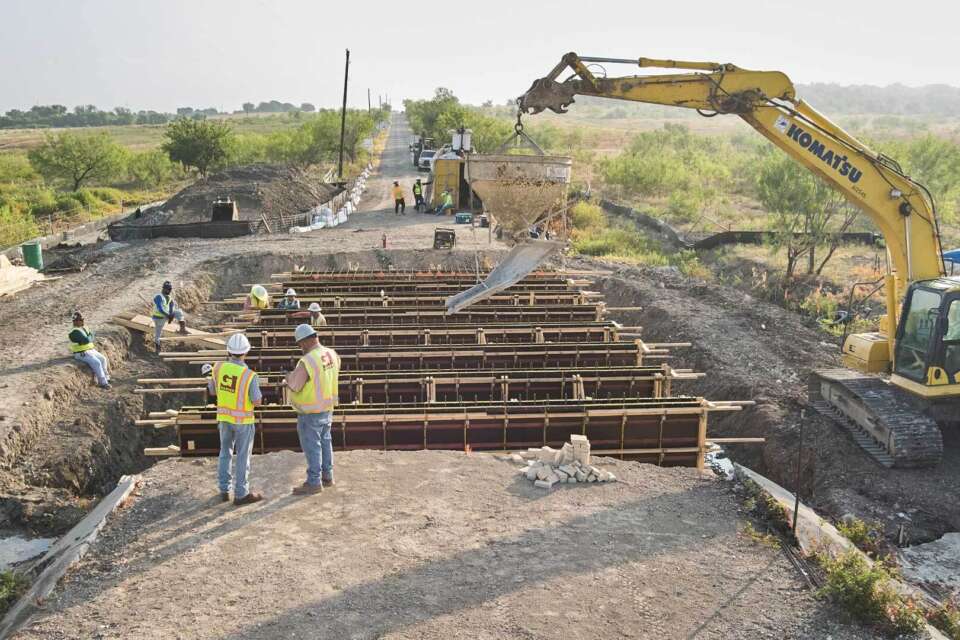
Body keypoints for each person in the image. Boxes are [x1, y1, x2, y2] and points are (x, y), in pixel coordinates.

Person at [209, 333, 264, 506]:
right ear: (246, 352)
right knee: (242, 456)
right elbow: (256, 400)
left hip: (224, 419)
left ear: (229, 351)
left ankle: (224, 490)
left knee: (225, 452)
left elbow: (212, 391)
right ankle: (241, 494)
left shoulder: (217, 368)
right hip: (243, 422)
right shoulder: (249, 375)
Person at [285, 324, 340, 494]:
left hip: (310, 412)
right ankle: (327, 476)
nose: (300, 347)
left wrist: (288, 377)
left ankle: (314, 482)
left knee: (312, 446)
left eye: (300, 344)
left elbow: (295, 385)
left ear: (307, 341)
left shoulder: (308, 360)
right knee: (325, 443)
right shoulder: (331, 353)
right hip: (327, 408)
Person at [68, 311, 110, 389]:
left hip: (90, 350)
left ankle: (107, 378)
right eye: (81, 320)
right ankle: (103, 383)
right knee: (97, 363)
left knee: (103, 359)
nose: (83, 321)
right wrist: (89, 337)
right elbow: (87, 340)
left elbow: (91, 336)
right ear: (75, 321)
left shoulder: (83, 328)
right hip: (81, 353)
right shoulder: (74, 332)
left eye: (82, 319)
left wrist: (89, 337)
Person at [151, 281, 187, 353]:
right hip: (158, 318)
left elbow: (171, 306)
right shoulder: (158, 296)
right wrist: (169, 315)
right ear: (163, 288)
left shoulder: (169, 297)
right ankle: (157, 348)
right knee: (158, 333)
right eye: (168, 289)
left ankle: (182, 329)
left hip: (166, 316)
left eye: (170, 289)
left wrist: (171, 315)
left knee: (179, 311)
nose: (169, 291)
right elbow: (160, 308)